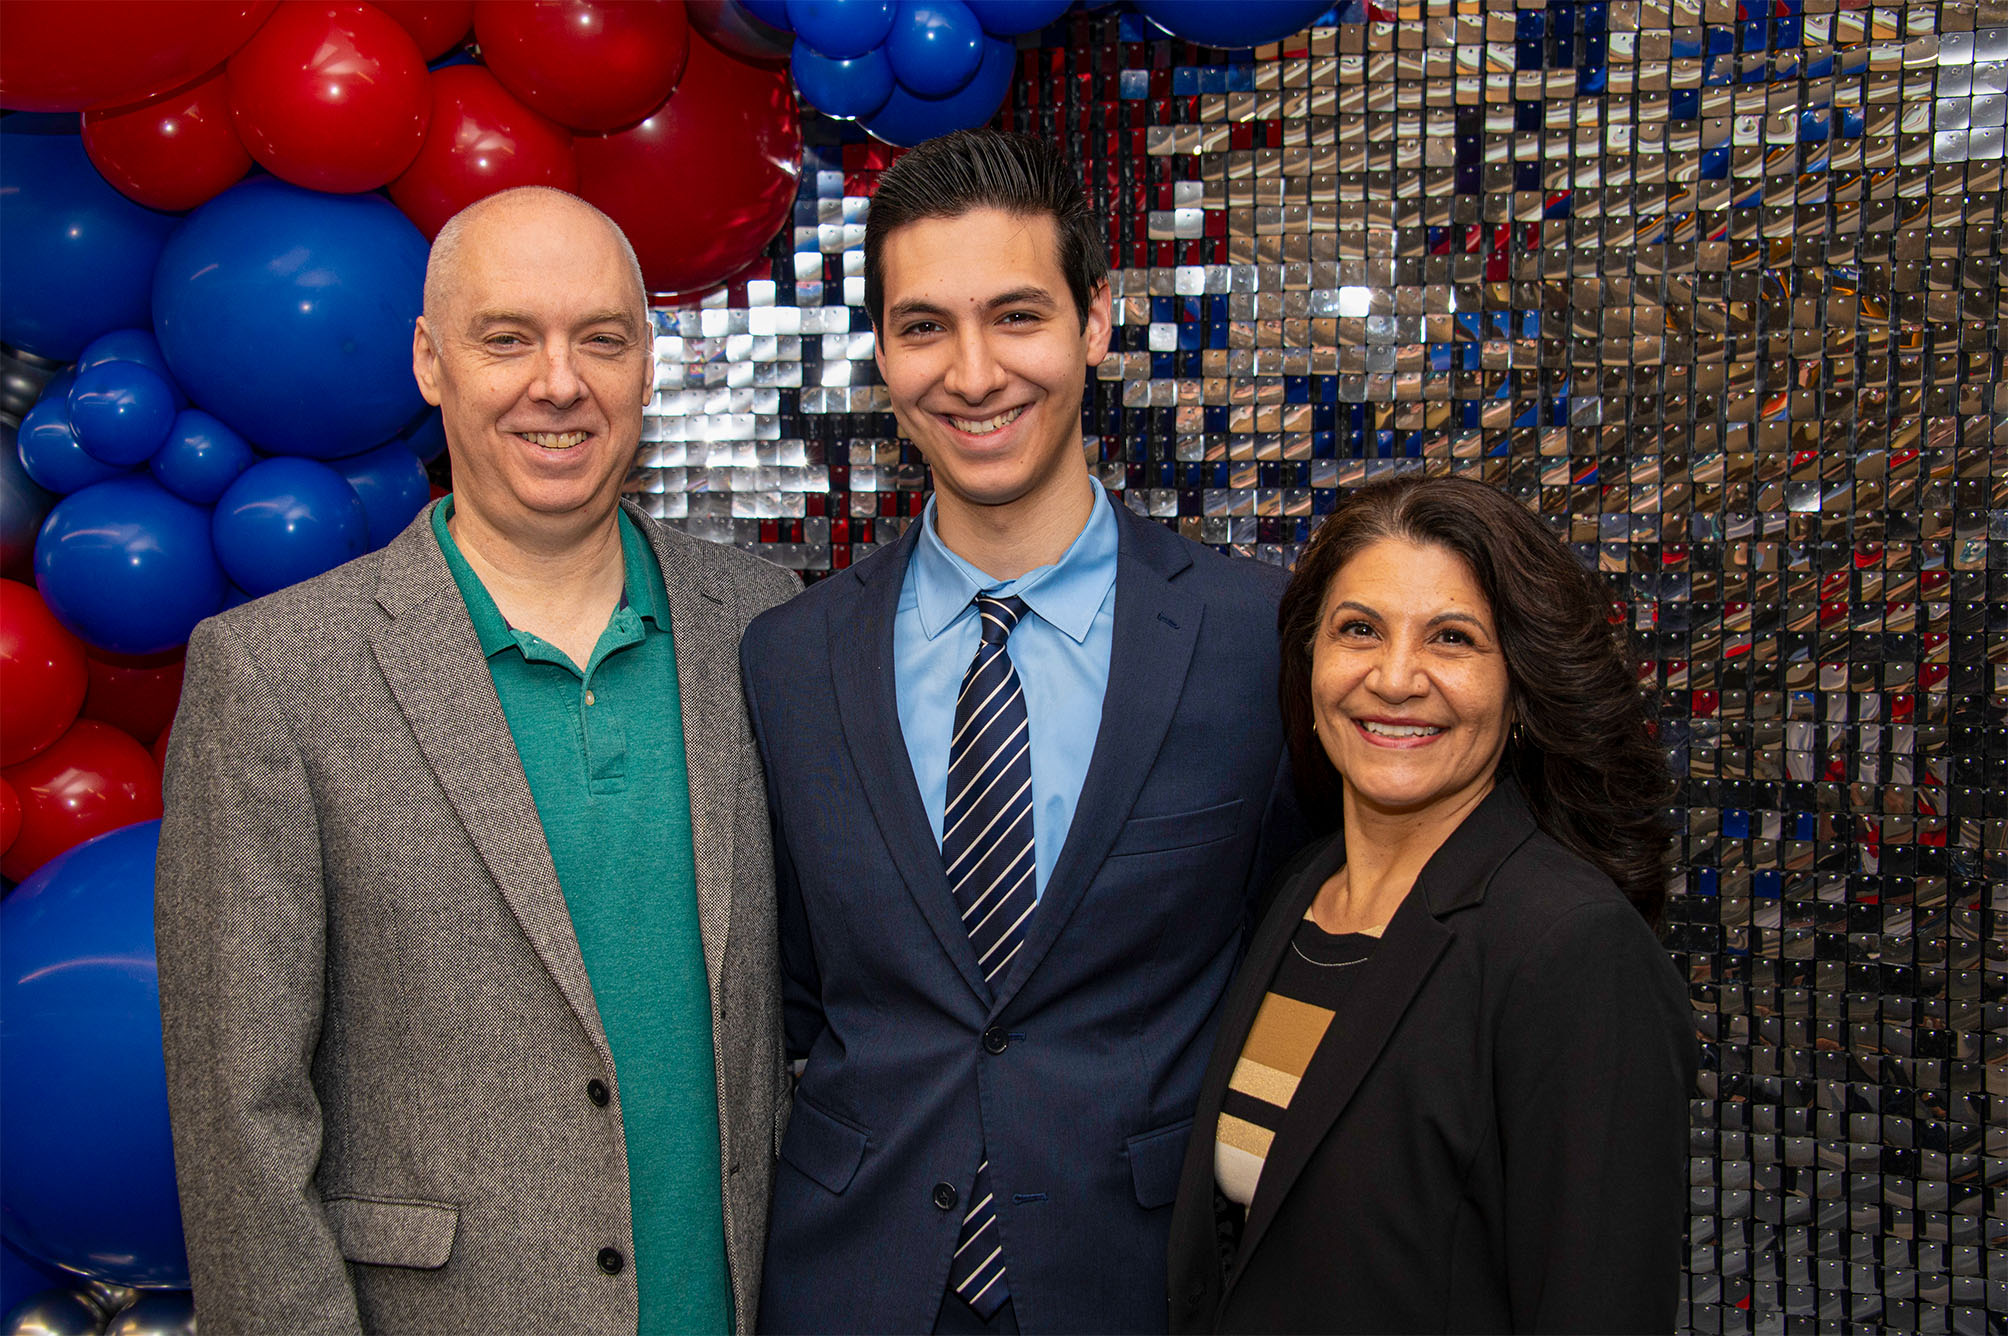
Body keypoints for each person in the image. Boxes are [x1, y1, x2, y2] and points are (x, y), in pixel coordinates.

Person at [154, 187, 799, 1336]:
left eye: (600, 338)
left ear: (649, 364)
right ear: (428, 361)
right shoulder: (276, 676)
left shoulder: (763, 628)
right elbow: (237, 1123)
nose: (559, 382)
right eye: (507, 338)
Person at [741, 130, 1300, 1335]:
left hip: (1140, 1277)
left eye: (1017, 315)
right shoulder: (788, 662)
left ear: (1094, 322)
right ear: (883, 350)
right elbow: (788, 989)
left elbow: (1296, 954)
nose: (974, 371)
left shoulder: (1255, 639)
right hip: (851, 1280)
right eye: (924, 325)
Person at [1165, 473, 1697, 1333]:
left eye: (1451, 639)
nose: (1396, 677)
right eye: (1359, 630)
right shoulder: (1303, 892)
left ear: (1521, 687)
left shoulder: (1572, 949)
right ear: (1309, 662)